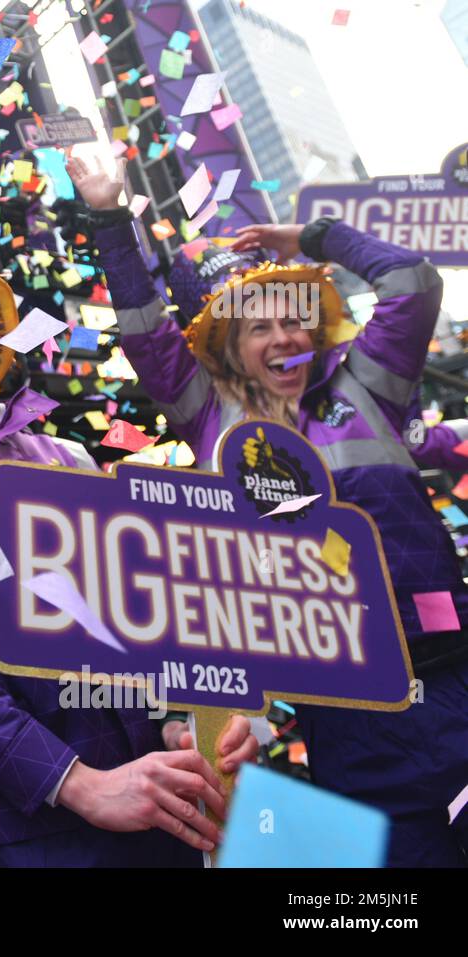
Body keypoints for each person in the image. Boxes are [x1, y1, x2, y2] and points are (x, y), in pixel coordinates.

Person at [69, 154, 468, 866]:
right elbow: (145, 333)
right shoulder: (213, 420)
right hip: (353, 716)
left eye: (294, 320)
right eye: (259, 328)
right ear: (228, 349)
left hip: (458, 672)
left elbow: (412, 280)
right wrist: (108, 216)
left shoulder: (368, 387)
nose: (284, 337)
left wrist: (310, 238)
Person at [0, 231, 258, 867]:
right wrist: (73, 781)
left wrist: (179, 721)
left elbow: (138, 611)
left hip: (153, 793)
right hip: (16, 827)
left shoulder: (68, 455)